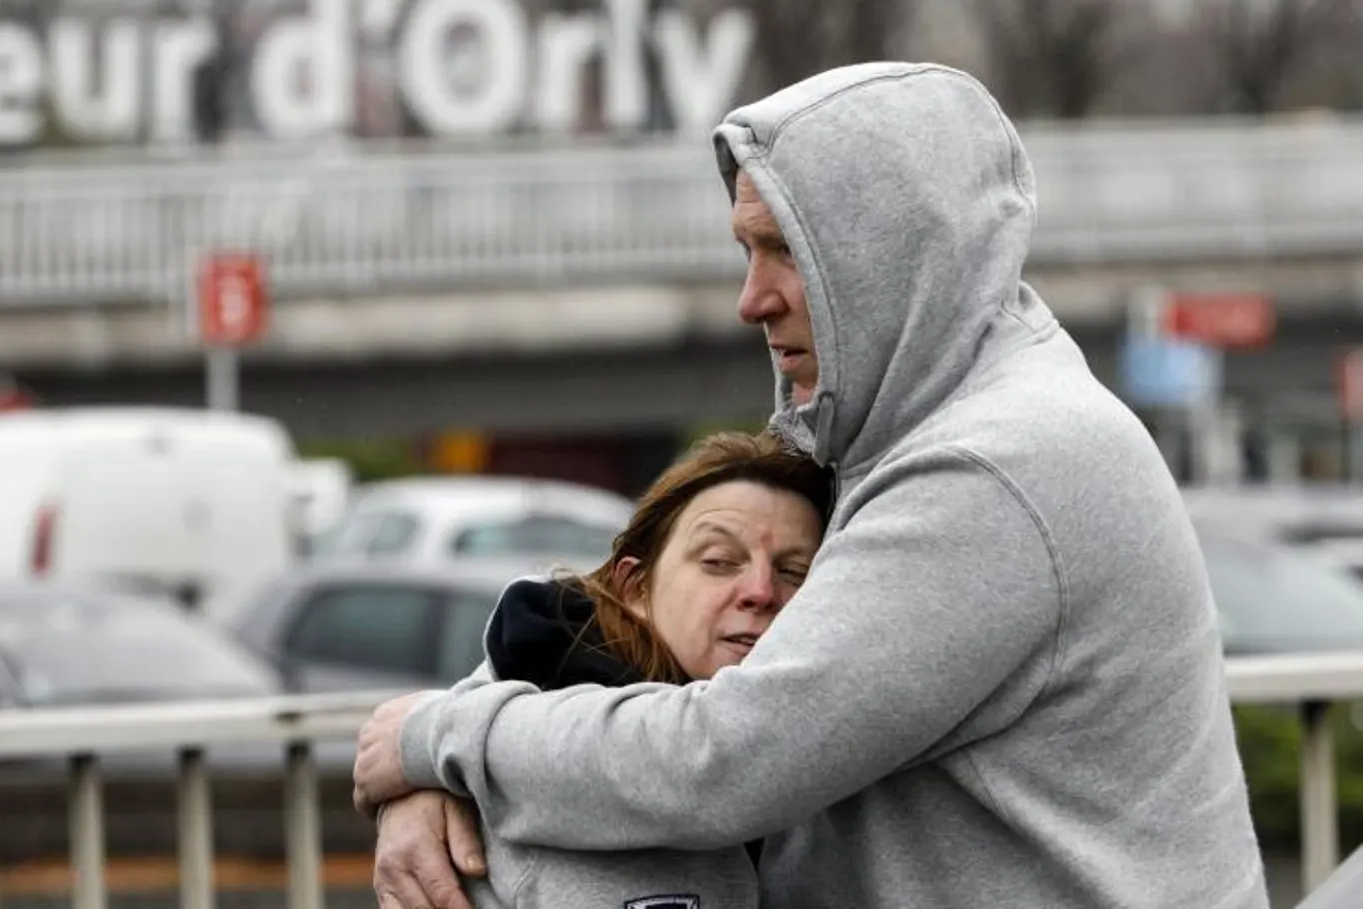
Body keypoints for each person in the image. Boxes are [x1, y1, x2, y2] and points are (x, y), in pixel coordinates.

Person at [353, 62, 1267, 909]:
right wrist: (437, 766)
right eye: (746, 251)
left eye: (786, 251)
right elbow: (608, 619)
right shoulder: (904, 423)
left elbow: (717, 762)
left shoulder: (993, 471)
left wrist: (441, 741)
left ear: (893, 253)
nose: (751, 298)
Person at [463, 431, 832, 909]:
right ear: (636, 586)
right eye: (719, 562)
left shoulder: (832, 748)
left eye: (794, 572)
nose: (761, 591)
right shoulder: (547, 752)